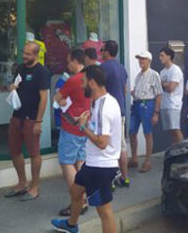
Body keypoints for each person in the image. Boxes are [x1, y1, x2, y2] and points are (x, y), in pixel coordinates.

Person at [51, 66, 122, 233]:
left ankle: (72, 225)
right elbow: (100, 131)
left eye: (83, 82)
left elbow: (102, 142)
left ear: (92, 83)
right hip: (92, 164)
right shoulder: (100, 102)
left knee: (104, 211)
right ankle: (71, 225)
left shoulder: (104, 107)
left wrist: (83, 128)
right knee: (76, 191)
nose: (81, 86)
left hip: (101, 166)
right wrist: (86, 122)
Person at [5, 42, 50, 201]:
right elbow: (17, 85)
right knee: (14, 150)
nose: (25, 56)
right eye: (24, 53)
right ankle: (22, 182)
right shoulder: (21, 68)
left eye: (28, 54)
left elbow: (44, 98)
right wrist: (12, 88)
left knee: (34, 153)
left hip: (32, 118)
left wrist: (39, 121)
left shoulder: (42, 72)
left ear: (36, 55)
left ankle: (34, 186)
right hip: (17, 115)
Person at [53, 49, 91, 216]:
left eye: (69, 61)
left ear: (76, 61)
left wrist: (61, 99)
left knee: (67, 162)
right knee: (80, 162)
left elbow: (57, 98)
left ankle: (78, 201)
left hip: (71, 127)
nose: (67, 65)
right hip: (84, 127)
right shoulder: (89, 78)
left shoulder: (74, 80)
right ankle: (84, 199)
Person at [99, 41, 130, 188]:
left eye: (102, 49)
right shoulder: (122, 68)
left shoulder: (102, 68)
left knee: (106, 147)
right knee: (121, 146)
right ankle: (125, 177)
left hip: (106, 111)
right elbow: (124, 89)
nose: (100, 52)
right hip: (120, 112)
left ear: (107, 51)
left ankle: (109, 181)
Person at [129, 51, 163, 173]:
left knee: (147, 133)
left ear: (149, 60)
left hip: (147, 103)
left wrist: (156, 112)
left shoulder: (154, 74)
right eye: (139, 59)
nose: (140, 61)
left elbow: (159, 94)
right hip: (137, 103)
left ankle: (147, 161)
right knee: (132, 131)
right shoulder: (138, 75)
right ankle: (134, 158)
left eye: (143, 59)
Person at [159, 47, 185, 144]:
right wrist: (165, 84)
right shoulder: (162, 72)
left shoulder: (175, 70)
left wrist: (164, 84)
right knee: (171, 131)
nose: (160, 58)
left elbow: (171, 88)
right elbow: (160, 86)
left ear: (169, 56)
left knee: (175, 128)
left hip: (174, 104)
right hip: (165, 103)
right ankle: (175, 150)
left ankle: (182, 149)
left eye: (162, 56)